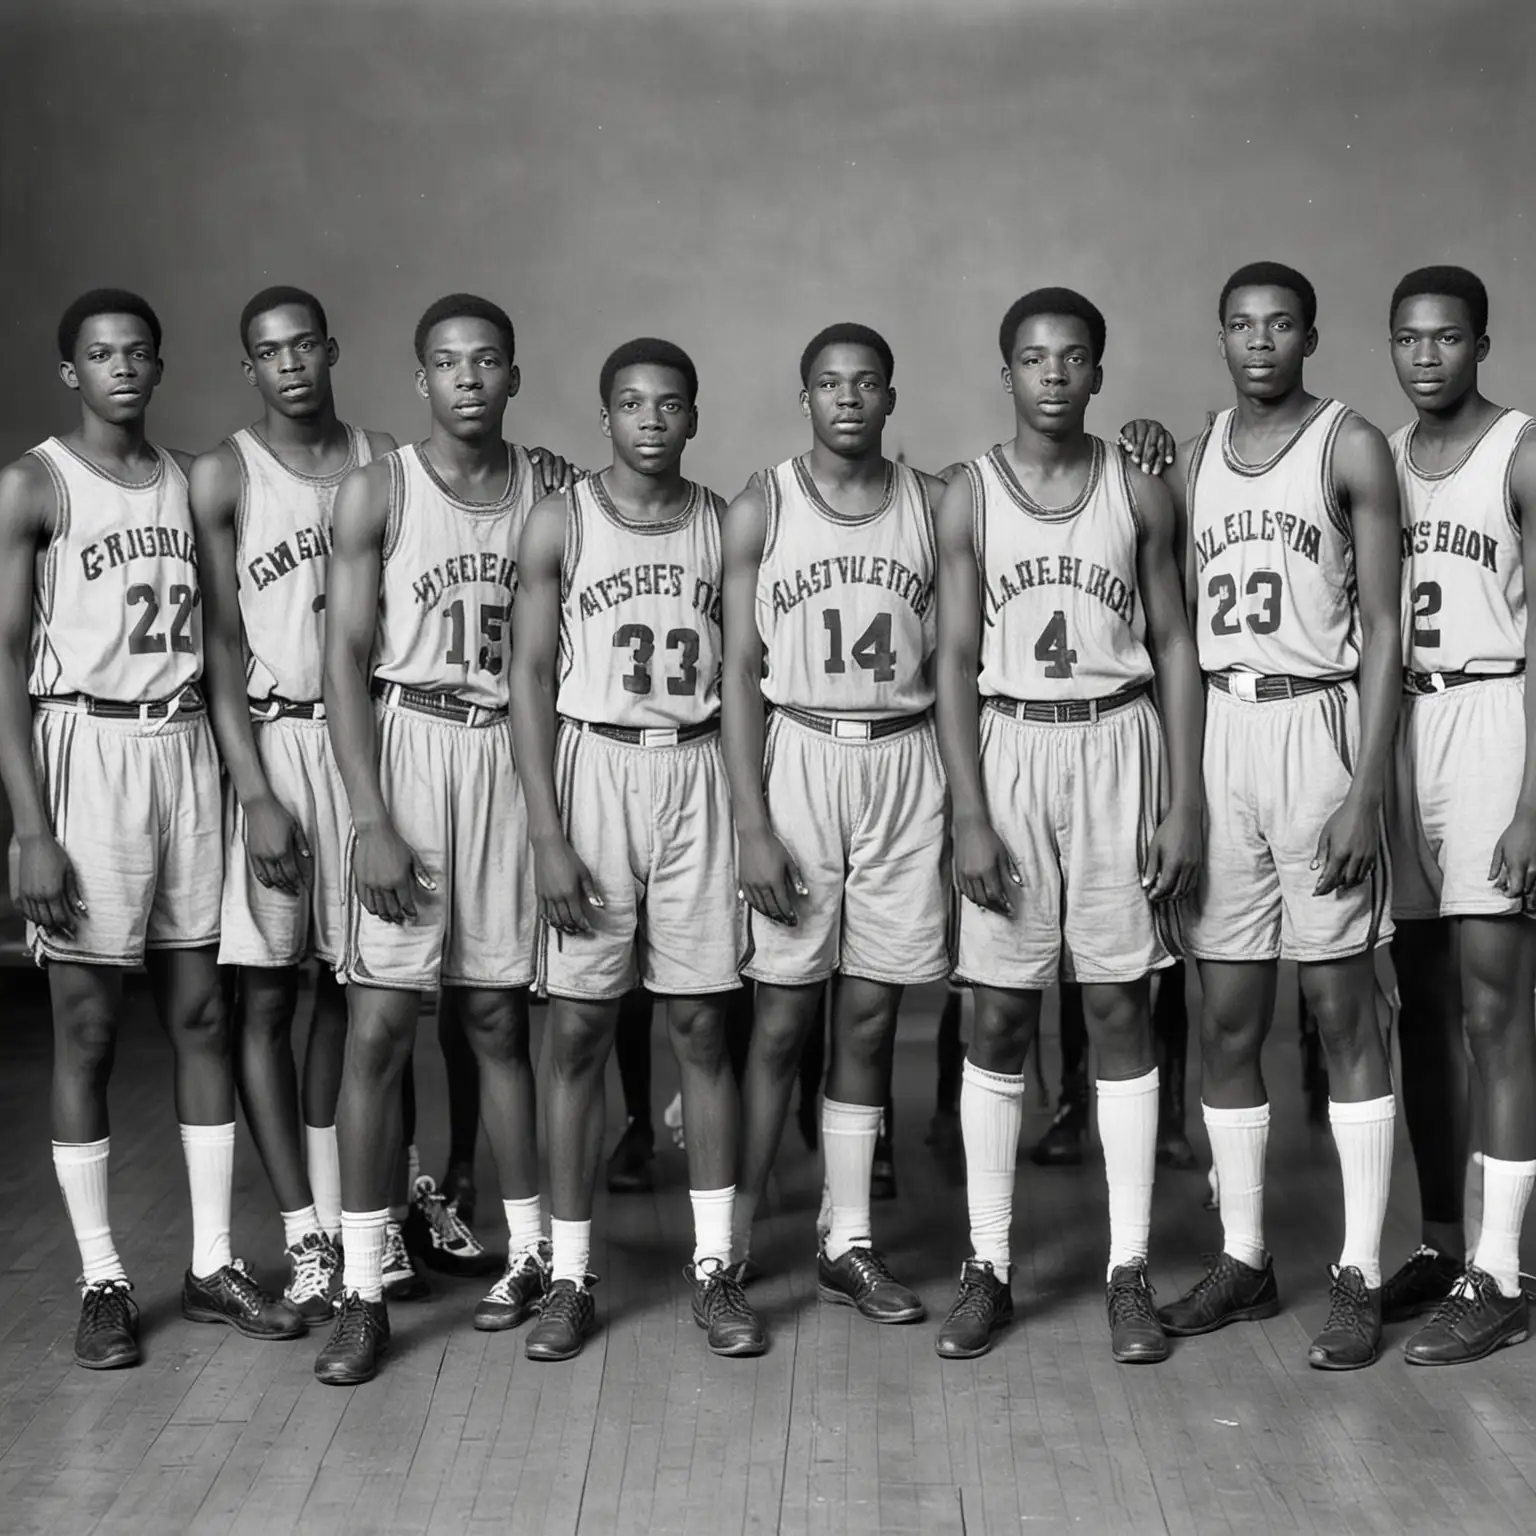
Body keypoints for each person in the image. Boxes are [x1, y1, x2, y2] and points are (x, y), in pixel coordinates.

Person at [0, 289, 302, 1370]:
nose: (120, 368)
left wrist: (250, 784)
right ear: (71, 372)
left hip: (184, 753)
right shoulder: (35, 485)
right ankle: (101, 1278)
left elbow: (223, 643)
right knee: (84, 1028)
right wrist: (29, 825)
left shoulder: (190, 480)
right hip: (87, 754)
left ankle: (214, 1262)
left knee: (203, 1018)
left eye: (136, 352)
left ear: (160, 366)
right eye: (99, 354)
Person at [936, 288, 1203, 1362]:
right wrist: (966, 808)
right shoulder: (970, 496)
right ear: (1005, 371)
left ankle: (1128, 1268)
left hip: (1114, 744)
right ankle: (989, 1264)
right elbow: (953, 659)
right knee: (998, 1018)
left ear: (1099, 371)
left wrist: (1181, 798)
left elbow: (1177, 644)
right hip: (1010, 753)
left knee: (1121, 1007)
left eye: (1074, 357)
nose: (1053, 374)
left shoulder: (1137, 488)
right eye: (1033, 358)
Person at [314, 294, 567, 1384]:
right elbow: (342, 661)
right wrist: (368, 814)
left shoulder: (553, 490)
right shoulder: (380, 489)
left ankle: (530, 1257)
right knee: (378, 1030)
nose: (468, 379)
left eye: (488, 362)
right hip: (413, 746)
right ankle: (364, 1288)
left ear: (514, 375)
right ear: (422, 382)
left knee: (499, 1021)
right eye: (448, 365)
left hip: (510, 760)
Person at [1157, 262, 1402, 1371]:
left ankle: (1355, 1270)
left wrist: (1364, 792)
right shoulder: (1196, 452)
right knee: (1227, 1017)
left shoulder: (1349, 443)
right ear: (1220, 338)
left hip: (1318, 728)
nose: (1261, 341)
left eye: (1282, 324)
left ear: (1312, 332)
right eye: (1242, 326)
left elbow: (1389, 631)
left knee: (1347, 1011)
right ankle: (1246, 1256)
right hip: (1222, 735)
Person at [512, 338, 763, 1360]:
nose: (651, 420)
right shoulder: (561, 519)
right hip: (596, 770)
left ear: (694, 417)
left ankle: (716, 1269)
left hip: (696, 768)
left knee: (702, 1029)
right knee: (576, 1034)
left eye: (669, 404)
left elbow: (746, 667)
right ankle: (570, 1275)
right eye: (630, 403)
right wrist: (545, 830)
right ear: (604, 415)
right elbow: (528, 678)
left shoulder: (728, 520)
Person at [723, 323, 951, 1327]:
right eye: (828, 383)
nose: (848, 399)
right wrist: (750, 823)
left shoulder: (936, 504)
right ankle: (721, 1246)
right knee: (780, 1018)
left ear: (891, 399)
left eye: (866, 384)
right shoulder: (760, 506)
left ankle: (844, 1237)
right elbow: (735, 672)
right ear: (804, 398)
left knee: (869, 1015)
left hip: (905, 756)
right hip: (801, 756)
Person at [190, 285, 398, 1322]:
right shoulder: (225, 474)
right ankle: (302, 1237)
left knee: (361, 994)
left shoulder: (384, 458)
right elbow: (221, 646)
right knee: (269, 996)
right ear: (250, 368)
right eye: (268, 352)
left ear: (330, 349)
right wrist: (253, 788)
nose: (290, 365)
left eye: (304, 345)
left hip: (367, 742)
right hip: (276, 741)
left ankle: (352, 1213)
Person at [1382, 266, 1536, 1363]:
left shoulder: (1521, 452)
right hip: (1408, 731)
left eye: (1445, 340)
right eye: (1408, 340)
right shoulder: (1377, 458)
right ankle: (1442, 1246)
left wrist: (1533, 802)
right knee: (1419, 1007)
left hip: (1495, 719)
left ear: (1481, 344)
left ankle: (1503, 1269)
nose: (1426, 357)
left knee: (1497, 1012)